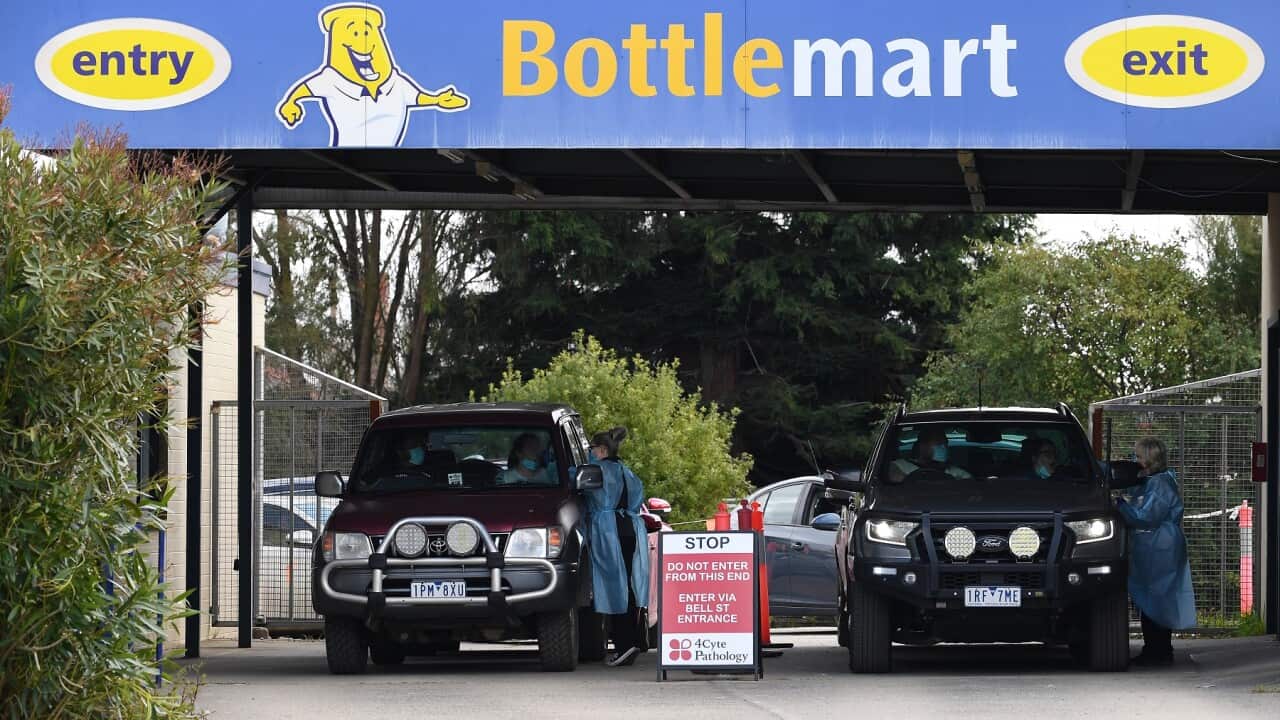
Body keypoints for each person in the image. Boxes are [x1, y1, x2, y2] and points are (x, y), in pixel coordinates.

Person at [1115, 436, 1196, 666]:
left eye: (1138, 456)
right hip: (1156, 546)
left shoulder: (1160, 483)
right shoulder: (1155, 480)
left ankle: (1157, 650)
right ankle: (1157, 648)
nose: (1135, 460)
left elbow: (1146, 517)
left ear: (1150, 459)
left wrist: (1121, 506)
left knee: (1156, 599)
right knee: (1153, 599)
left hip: (1159, 547)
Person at [584, 426, 650, 667]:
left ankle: (625, 643)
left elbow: (574, 482)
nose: (589, 453)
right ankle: (631, 640)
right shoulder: (626, 471)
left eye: (592, 449)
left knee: (614, 585)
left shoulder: (596, 471)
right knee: (629, 585)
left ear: (601, 450)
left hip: (609, 531)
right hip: (630, 528)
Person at [888, 426, 973, 483]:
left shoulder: (955, 471)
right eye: (938, 443)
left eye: (945, 443)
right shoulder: (899, 465)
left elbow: (969, 487)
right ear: (923, 446)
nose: (944, 447)